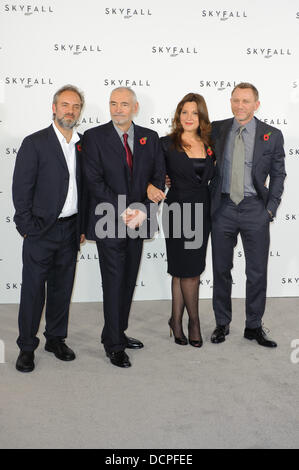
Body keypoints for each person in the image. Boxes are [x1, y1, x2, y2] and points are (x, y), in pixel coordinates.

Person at [82, 87, 165, 368]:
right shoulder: (94, 138)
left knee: (128, 280)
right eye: (113, 103)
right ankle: (114, 345)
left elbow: (157, 178)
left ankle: (117, 331)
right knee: (114, 282)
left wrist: (144, 210)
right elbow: (94, 181)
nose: (118, 109)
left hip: (138, 222)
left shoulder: (149, 138)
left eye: (124, 104)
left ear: (135, 108)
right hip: (110, 221)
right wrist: (125, 210)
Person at [12, 84, 86, 373]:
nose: (70, 110)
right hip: (41, 231)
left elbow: (88, 187)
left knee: (61, 289)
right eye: (65, 105)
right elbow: (21, 189)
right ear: (54, 108)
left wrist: (82, 226)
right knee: (32, 291)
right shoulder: (35, 143)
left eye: (76, 106)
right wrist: (27, 227)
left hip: (70, 230)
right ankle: (26, 346)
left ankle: (55, 339)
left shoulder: (83, 144)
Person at [209, 82, 286, 347]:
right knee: (221, 269)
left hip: (255, 208)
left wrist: (270, 208)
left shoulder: (271, 135)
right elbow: (193, 154)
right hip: (223, 208)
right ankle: (222, 323)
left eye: (245, 101)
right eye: (235, 100)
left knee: (256, 272)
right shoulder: (216, 129)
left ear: (256, 104)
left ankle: (253, 326)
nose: (239, 105)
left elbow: (278, 174)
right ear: (230, 102)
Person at [147, 93, 215, 348]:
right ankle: (193, 322)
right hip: (176, 210)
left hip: (202, 210)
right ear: (178, 116)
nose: (189, 117)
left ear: (202, 117)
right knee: (185, 271)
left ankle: (176, 320)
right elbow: (149, 172)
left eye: (194, 113)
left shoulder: (210, 144)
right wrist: (157, 182)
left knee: (188, 270)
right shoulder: (166, 144)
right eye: (184, 112)